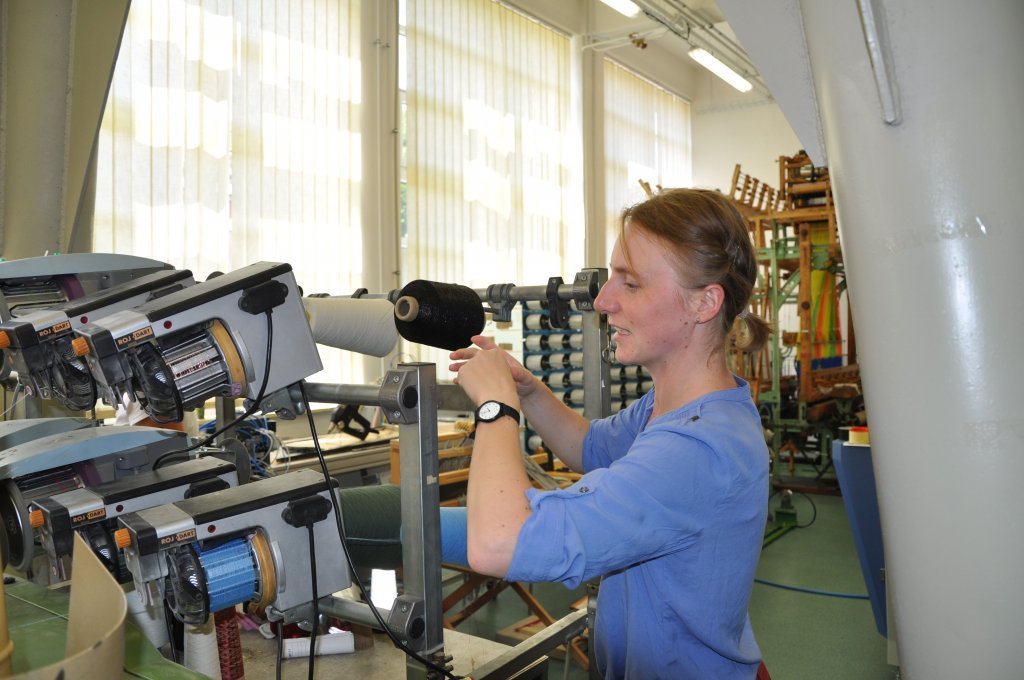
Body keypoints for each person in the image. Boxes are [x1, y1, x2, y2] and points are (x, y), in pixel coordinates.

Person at [449, 188, 772, 680]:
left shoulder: (697, 449)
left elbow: (498, 544)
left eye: (631, 283)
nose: (603, 301)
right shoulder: (679, 408)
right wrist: (528, 391)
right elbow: (589, 446)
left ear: (705, 302)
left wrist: (496, 406)